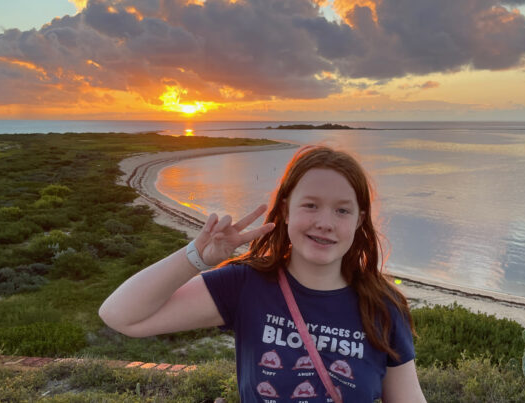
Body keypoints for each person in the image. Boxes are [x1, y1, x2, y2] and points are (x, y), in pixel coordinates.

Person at [99, 145, 426, 402]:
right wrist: (196, 257)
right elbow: (121, 316)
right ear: (285, 209)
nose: (325, 222)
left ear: (358, 220)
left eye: (342, 210)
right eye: (310, 205)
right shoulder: (245, 285)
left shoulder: (382, 305)